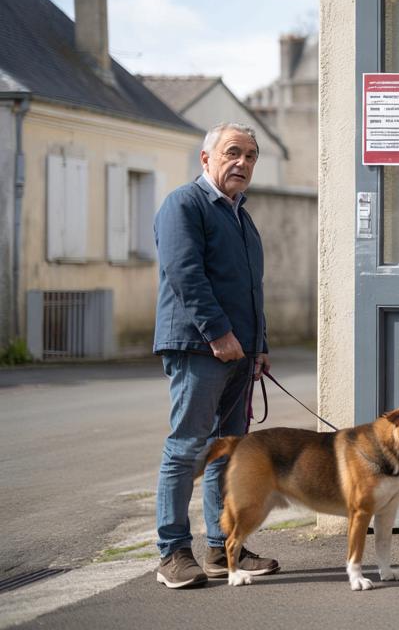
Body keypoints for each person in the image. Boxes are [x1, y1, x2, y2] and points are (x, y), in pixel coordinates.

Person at [152, 122, 278, 589]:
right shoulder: (184, 205)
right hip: (198, 347)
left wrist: (259, 345)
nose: (242, 163)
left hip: (240, 353)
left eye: (250, 155)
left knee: (227, 453)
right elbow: (186, 276)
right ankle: (171, 554)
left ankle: (222, 550)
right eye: (232, 153)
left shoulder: (241, 215)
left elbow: (252, 289)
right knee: (187, 449)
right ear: (206, 159)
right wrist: (219, 334)